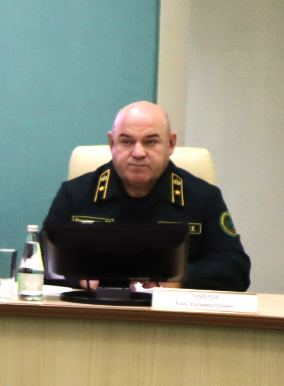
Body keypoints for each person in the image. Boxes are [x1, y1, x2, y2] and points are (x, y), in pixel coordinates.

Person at [44, 101, 249, 291]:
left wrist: (178, 278)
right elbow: (38, 261)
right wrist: (77, 277)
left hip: (170, 314)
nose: (138, 153)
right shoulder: (75, 194)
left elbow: (236, 269)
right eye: (127, 141)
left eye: (150, 142)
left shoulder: (203, 198)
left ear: (171, 144)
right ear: (112, 144)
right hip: (93, 311)